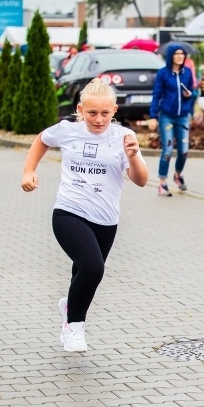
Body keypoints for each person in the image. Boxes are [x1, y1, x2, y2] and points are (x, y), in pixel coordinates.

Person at [20, 78, 148, 353]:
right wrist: (28, 170)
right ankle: (74, 326)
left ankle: (70, 305)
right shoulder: (68, 131)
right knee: (93, 267)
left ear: (114, 109)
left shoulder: (124, 137)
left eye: (105, 113)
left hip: (106, 220)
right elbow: (42, 139)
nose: (99, 119)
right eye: (92, 113)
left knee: (82, 271)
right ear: (80, 109)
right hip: (69, 211)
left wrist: (134, 156)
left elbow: (141, 180)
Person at [147, 44, 195, 196]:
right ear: (171, 56)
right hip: (166, 116)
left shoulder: (187, 73)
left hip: (183, 117)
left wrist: (190, 95)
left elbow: (192, 92)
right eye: (177, 53)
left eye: (182, 53)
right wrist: (153, 116)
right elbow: (156, 95)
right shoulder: (163, 74)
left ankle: (178, 175)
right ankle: (162, 183)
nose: (180, 56)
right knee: (167, 150)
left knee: (184, 152)